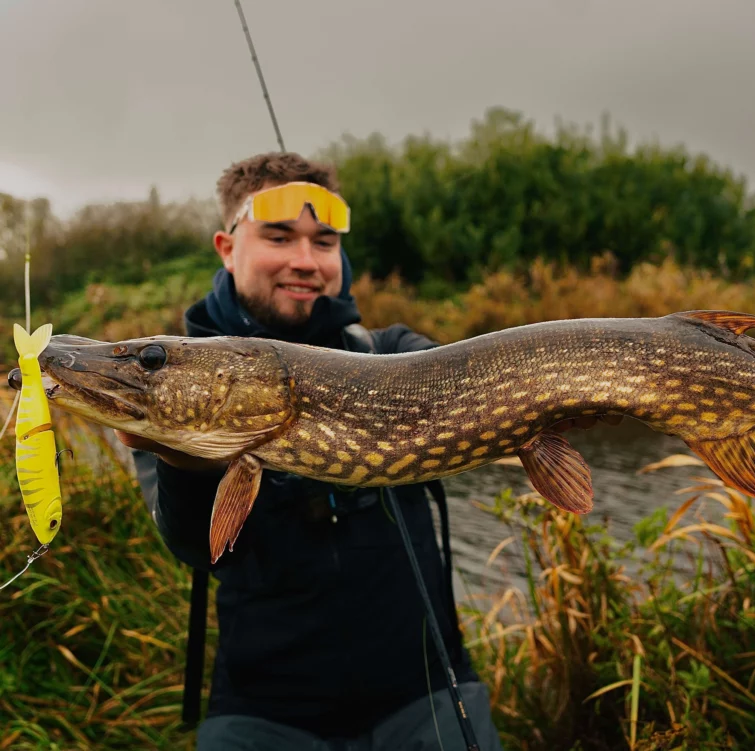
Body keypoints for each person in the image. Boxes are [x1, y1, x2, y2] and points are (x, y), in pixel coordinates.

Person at [116, 152, 505, 751]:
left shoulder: (394, 353)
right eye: (278, 236)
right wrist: (187, 465)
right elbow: (195, 548)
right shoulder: (175, 375)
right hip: (262, 713)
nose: (305, 261)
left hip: (426, 694)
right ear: (227, 247)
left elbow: (486, 396)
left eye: (323, 242)